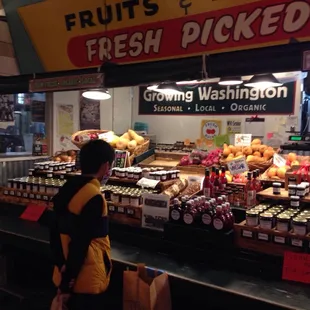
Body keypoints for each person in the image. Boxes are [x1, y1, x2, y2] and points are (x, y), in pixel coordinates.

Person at [50, 140, 115, 310]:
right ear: (106, 166)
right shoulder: (93, 196)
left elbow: (54, 231)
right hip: (86, 279)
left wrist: (61, 269)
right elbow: (81, 243)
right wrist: (67, 285)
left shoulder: (68, 187)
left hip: (63, 272)